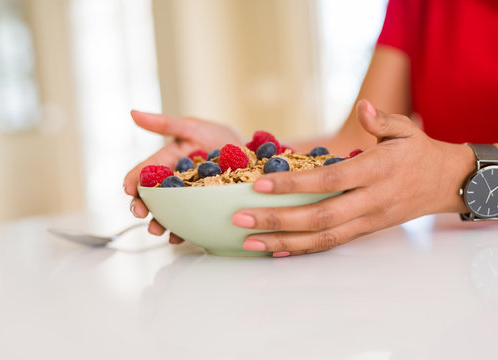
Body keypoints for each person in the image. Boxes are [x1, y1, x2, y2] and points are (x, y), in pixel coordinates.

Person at [123, 0, 498, 257]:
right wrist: (244, 157)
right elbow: (359, 141)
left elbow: (431, 171)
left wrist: (454, 173)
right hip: (448, 264)